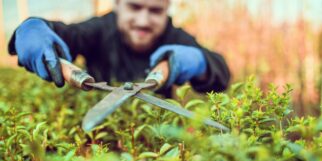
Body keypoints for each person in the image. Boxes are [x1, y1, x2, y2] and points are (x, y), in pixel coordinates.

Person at [8, 0, 230, 97]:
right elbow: (66, 36)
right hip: (102, 136)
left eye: (155, 11)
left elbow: (221, 74)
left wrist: (201, 62)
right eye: (134, 7)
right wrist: (33, 28)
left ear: (166, 9)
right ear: (117, 4)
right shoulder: (101, 28)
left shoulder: (175, 35)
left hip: (157, 136)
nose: (143, 20)